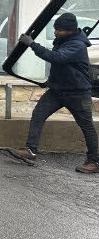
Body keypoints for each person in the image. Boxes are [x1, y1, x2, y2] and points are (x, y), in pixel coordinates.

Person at [8, 13, 99, 173]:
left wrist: (32, 44)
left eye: (59, 30)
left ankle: (93, 162)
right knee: (38, 114)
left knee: (87, 127)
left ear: (70, 30)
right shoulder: (64, 40)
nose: (55, 32)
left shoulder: (77, 45)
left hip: (77, 93)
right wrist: (49, 82)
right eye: (55, 28)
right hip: (57, 91)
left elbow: (56, 58)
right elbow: (61, 67)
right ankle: (30, 151)